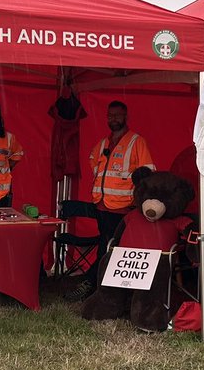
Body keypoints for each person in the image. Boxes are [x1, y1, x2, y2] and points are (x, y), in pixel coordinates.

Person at [66, 100, 155, 301]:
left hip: (123, 208)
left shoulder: (136, 142)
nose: (113, 119)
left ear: (126, 117)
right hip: (102, 205)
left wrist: (134, 197)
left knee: (109, 248)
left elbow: (147, 174)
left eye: (117, 115)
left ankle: (92, 285)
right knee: (106, 246)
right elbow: (94, 164)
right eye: (110, 115)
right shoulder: (103, 143)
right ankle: (101, 286)